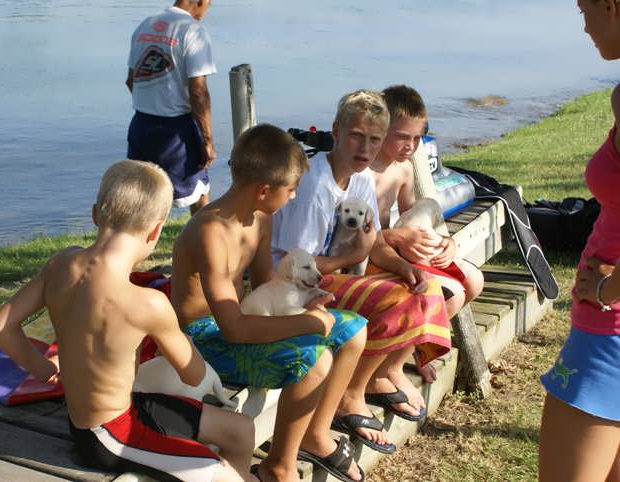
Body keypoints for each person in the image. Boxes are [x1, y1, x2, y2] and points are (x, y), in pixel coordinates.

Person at [0, 160, 256, 482]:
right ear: (156, 230)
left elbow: (0, 327)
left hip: (121, 411)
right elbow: (193, 374)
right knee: (221, 474)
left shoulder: (60, 264)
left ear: (95, 214)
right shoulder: (148, 304)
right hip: (109, 436)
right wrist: (174, 338)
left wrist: (42, 369)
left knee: (240, 430)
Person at [172, 124, 369, 482]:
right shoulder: (210, 232)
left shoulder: (261, 217)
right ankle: (279, 466)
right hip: (205, 340)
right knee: (316, 359)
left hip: (245, 318)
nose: (293, 197)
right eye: (291, 189)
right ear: (264, 190)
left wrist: (306, 302)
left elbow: (268, 287)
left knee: (354, 330)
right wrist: (307, 323)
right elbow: (233, 328)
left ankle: (314, 434)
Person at [272, 90, 451, 443]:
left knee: (426, 288)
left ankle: (376, 377)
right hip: (291, 286)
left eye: (374, 139)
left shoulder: (361, 179)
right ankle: (349, 396)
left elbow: (376, 244)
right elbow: (296, 267)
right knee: (394, 301)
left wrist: (404, 268)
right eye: (356, 136)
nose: (365, 148)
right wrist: (353, 258)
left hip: (330, 274)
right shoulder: (315, 186)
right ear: (336, 131)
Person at [539, 1, 620, 480]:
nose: (585, 26)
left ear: (611, 7)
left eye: (583, 9)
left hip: (610, 334)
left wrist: (609, 289)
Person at [370, 84, 485, 383]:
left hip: (394, 251)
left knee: (474, 280)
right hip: (371, 257)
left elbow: (412, 218)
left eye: (417, 138)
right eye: (402, 137)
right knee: (451, 294)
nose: (410, 146)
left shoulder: (404, 169)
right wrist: (395, 238)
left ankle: (416, 349)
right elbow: (354, 235)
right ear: (380, 128)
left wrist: (447, 242)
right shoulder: (364, 172)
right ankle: (389, 368)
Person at [125, 0, 216, 214]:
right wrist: (207, 141)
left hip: (140, 125)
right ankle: (203, 235)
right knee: (199, 193)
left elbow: (131, 81)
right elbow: (198, 92)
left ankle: (141, 237)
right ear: (201, 1)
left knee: (143, 198)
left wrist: (154, 103)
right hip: (176, 130)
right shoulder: (193, 31)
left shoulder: (145, 25)